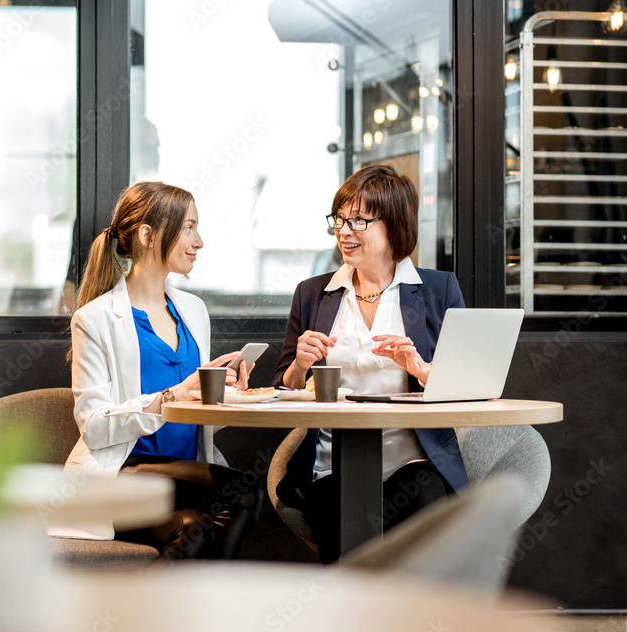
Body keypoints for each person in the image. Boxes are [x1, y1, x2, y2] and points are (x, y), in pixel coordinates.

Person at [51, 181, 262, 560]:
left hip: (185, 473)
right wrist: (172, 396)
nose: (199, 242)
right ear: (147, 235)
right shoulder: (94, 318)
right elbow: (95, 425)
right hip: (124, 473)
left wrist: (226, 393)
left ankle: (176, 613)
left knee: (200, 527)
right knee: (240, 494)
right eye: (188, 227)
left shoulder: (193, 310)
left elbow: (199, 414)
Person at [272, 163, 468, 563]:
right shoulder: (313, 294)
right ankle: (354, 622)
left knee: (425, 509)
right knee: (349, 521)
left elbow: (467, 391)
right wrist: (298, 366)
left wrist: (420, 368)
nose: (344, 231)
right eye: (340, 219)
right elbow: (281, 392)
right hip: (332, 468)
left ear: (394, 225)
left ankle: (413, 623)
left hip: (413, 462)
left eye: (359, 220)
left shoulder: (437, 289)